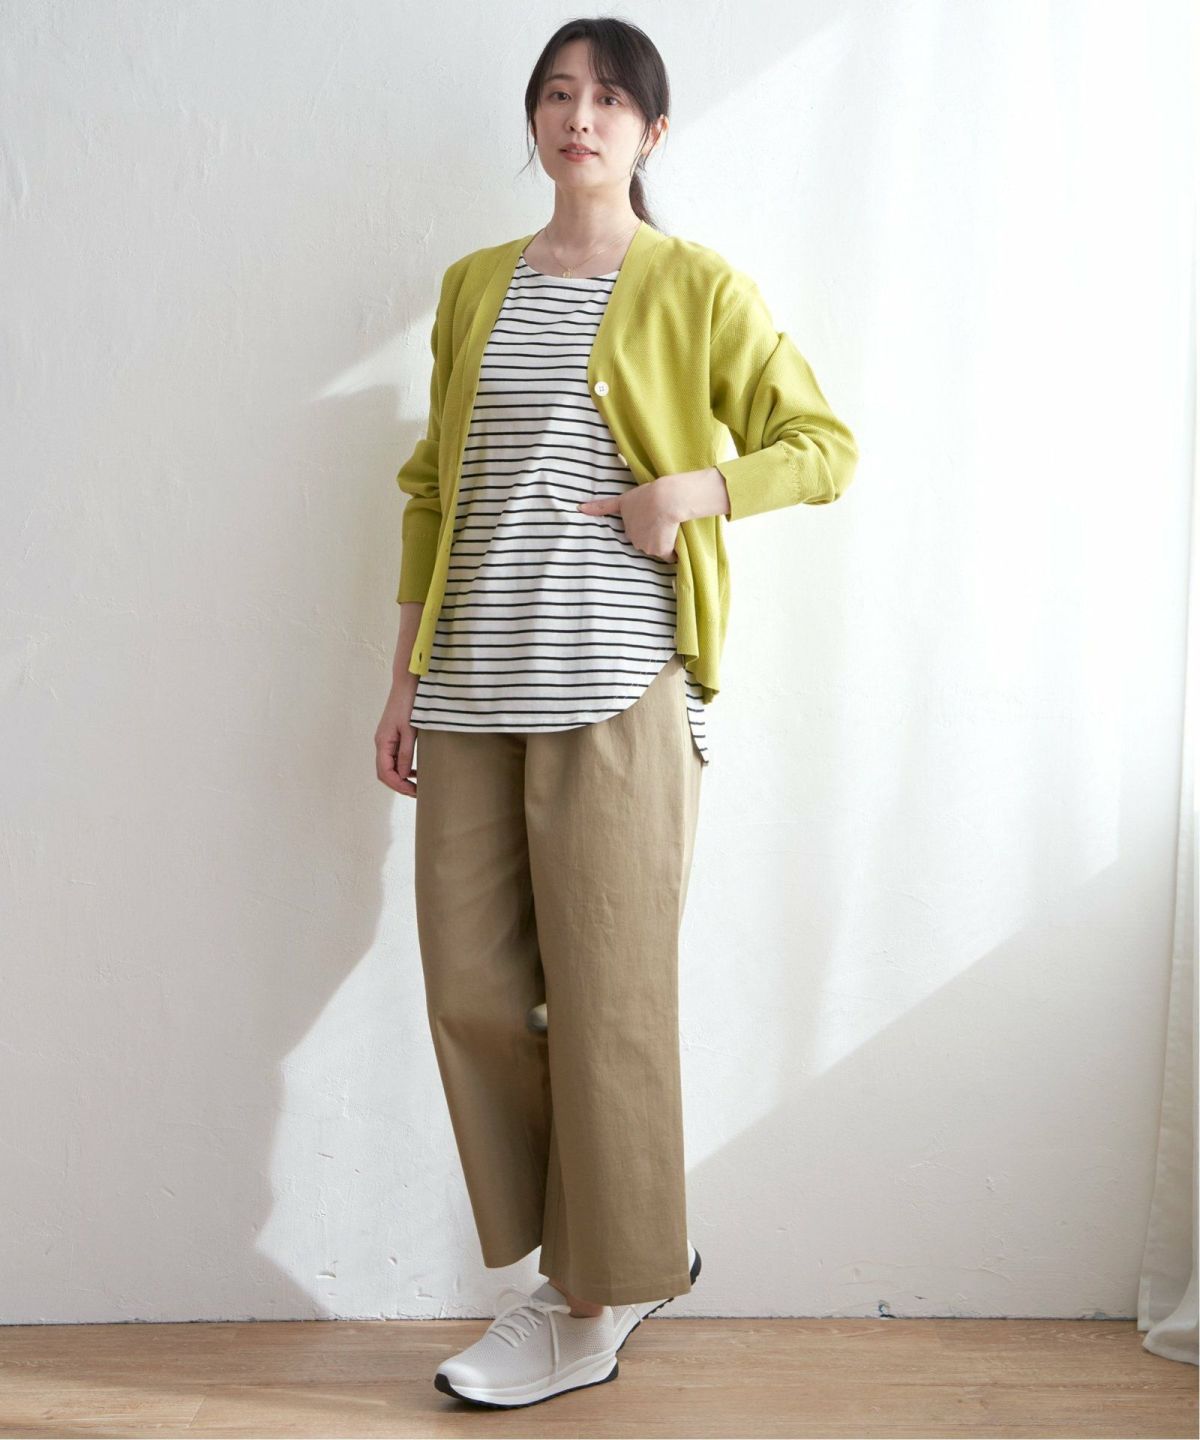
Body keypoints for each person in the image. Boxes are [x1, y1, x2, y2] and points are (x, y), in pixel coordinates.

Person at [374, 15, 859, 1410]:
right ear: (534, 120)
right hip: (474, 690)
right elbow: (431, 489)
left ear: (653, 129)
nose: (577, 115)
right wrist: (403, 678)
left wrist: (690, 493)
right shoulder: (474, 286)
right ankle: (624, 1244)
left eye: (607, 97)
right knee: (473, 995)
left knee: (607, 1001)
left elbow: (822, 447)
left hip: (618, 692)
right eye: (555, 93)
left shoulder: (695, 285)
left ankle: (588, 1296)